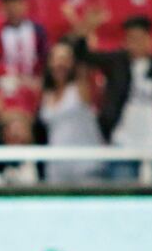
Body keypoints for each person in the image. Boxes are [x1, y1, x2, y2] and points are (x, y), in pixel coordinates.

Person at [72, 12, 152, 161]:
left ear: (150, 40)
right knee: (122, 184)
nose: (136, 43)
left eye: (140, 38)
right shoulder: (116, 63)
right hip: (121, 142)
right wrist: (87, 28)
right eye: (131, 38)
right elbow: (82, 55)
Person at [38, 40, 104, 182]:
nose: (59, 64)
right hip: (56, 166)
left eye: (64, 59)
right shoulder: (47, 94)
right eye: (55, 59)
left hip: (85, 165)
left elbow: (83, 59)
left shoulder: (81, 88)